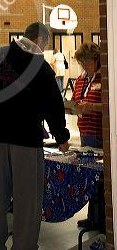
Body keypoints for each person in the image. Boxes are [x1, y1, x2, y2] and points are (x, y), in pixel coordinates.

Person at [0, 22, 70, 250]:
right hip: (26, 142)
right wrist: (61, 136)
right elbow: (53, 106)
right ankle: (24, 245)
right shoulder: (42, 68)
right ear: (41, 41)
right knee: (27, 201)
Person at [70, 42, 104, 230]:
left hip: (99, 134)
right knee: (89, 177)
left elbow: (109, 105)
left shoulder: (103, 78)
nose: (83, 65)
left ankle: (99, 218)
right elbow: (77, 100)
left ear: (95, 59)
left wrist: (92, 107)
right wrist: (73, 106)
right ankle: (92, 216)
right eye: (81, 62)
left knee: (100, 179)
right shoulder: (80, 79)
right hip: (85, 133)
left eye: (86, 61)